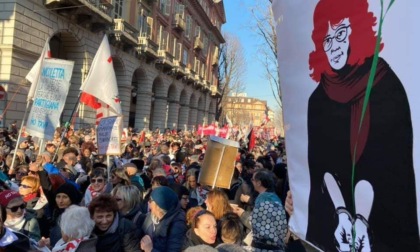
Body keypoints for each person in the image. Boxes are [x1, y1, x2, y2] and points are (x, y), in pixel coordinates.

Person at [306, 0, 418, 251]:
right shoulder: (317, 100)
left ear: (358, 32)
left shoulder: (387, 86)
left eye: (340, 34)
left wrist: (363, 220)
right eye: (326, 39)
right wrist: (342, 213)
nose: (333, 46)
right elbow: (321, 169)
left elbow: (392, 171)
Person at [233, 169, 287, 252]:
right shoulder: (271, 196)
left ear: (259, 183)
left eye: (253, 179)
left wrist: (242, 213)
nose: (252, 182)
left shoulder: (264, 198)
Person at [140, 186, 187, 252]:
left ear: (158, 206)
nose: (148, 203)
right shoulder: (150, 216)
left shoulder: (177, 224)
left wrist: (150, 250)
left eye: (150, 200)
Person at [49, 182, 83, 247]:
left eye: (65, 197)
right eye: (58, 197)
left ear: (72, 199)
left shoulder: (76, 216)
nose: (60, 201)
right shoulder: (57, 212)